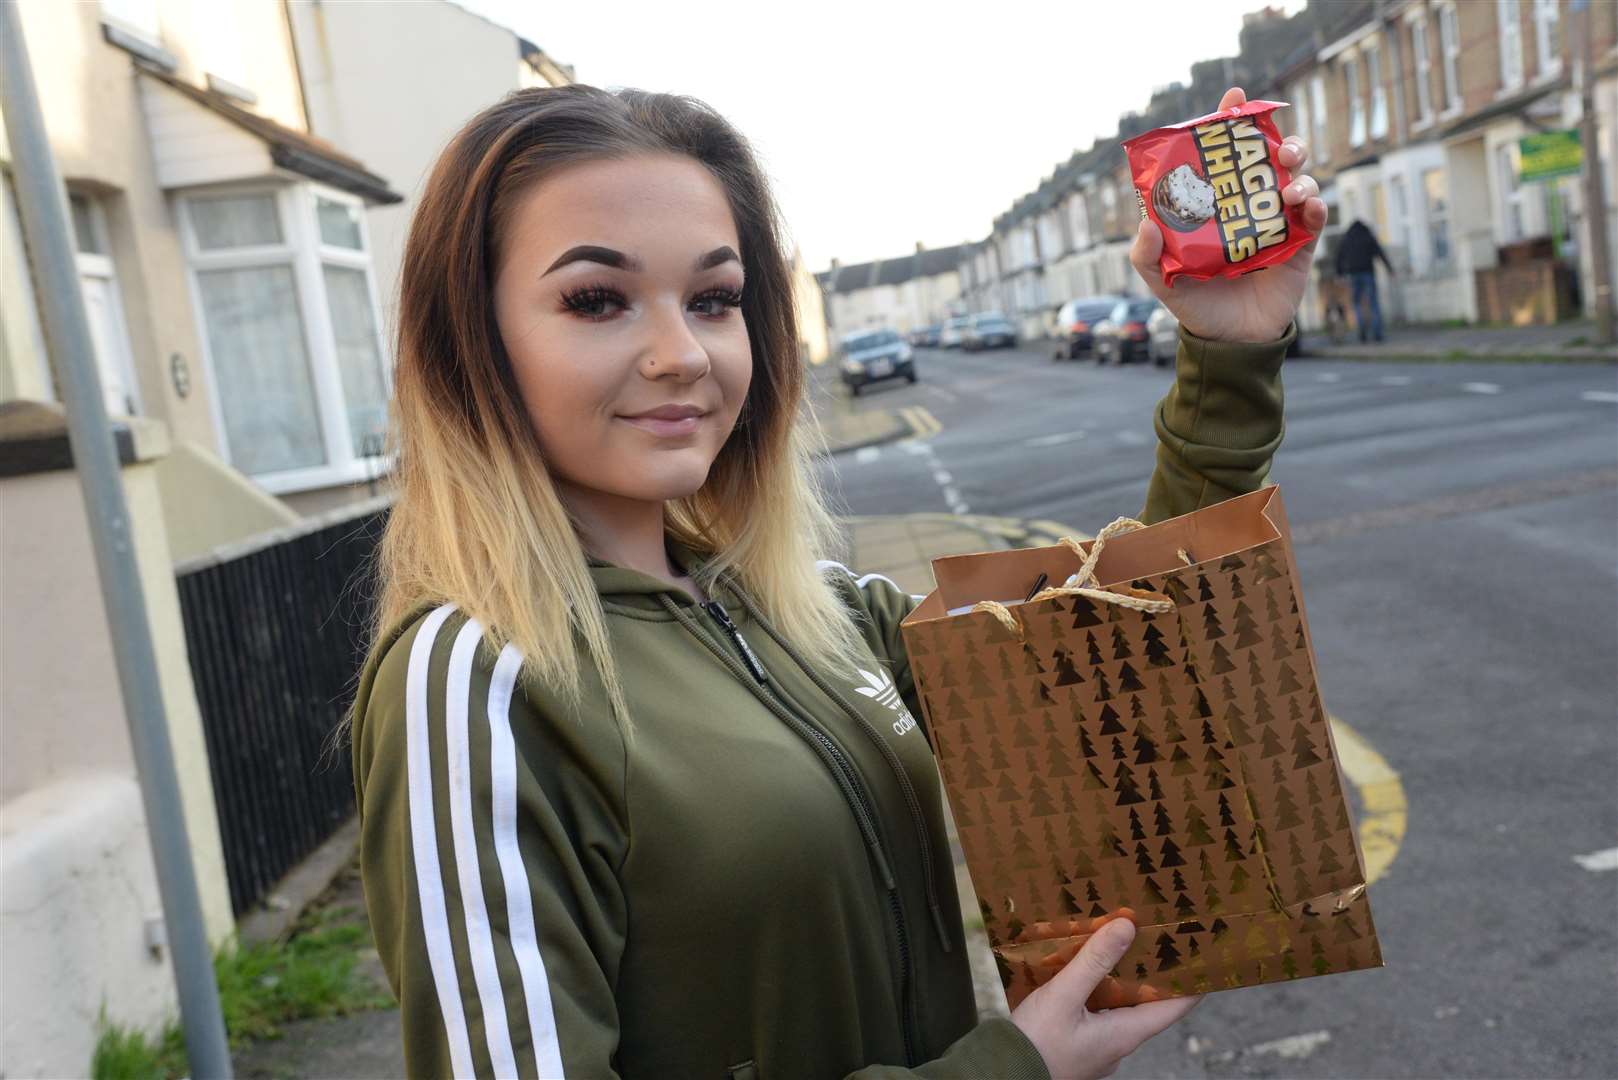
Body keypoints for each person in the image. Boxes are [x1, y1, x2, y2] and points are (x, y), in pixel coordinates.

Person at [346, 82, 1326, 1079]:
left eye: (713, 300)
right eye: (595, 300)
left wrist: (1229, 347)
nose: (680, 353)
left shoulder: (813, 611)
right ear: (474, 343)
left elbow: (1129, 662)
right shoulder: (472, 677)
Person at [1334, 218, 1394, 343]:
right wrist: (1389, 268)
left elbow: (1339, 256)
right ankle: (1377, 333)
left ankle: (1362, 331)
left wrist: (1339, 273)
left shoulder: (1347, 239)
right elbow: (1380, 252)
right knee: (1374, 303)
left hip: (1353, 274)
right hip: (1368, 273)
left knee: (1356, 304)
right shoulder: (1367, 236)